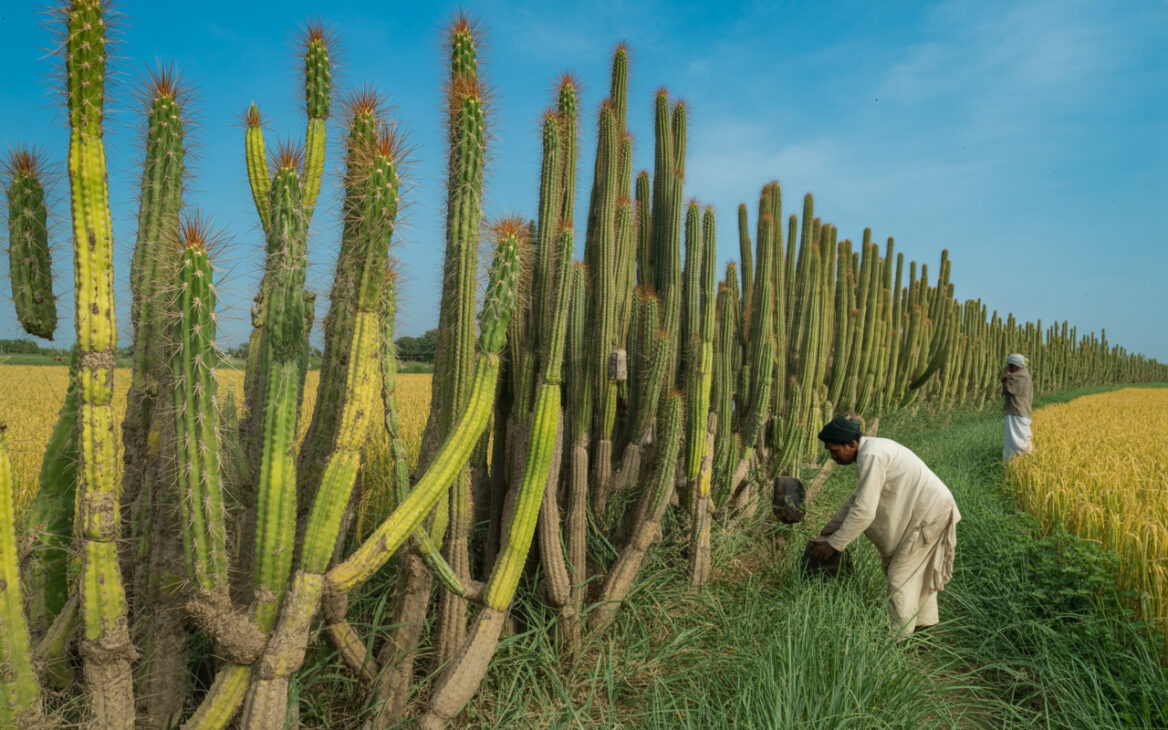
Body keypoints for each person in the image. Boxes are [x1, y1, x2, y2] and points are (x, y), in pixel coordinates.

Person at [808, 417, 961, 634]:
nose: (832, 457)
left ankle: (899, 640)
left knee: (900, 577)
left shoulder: (871, 455)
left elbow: (864, 511)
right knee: (915, 575)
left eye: (834, 451)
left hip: (930, 515)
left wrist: (834, 544)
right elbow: (858, 497)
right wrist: (831, 527)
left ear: (851, 445)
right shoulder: (872, 450)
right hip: (932, 511)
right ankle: (922, 629)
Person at [1001, 353, 1033, 461]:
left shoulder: (1020, 377)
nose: (1009, 368)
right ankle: (1018, 463)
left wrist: (1005, 376)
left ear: (1015, 365)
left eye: (1010, 366)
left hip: (1017, 412)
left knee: (1018, 440)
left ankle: (1017, 463)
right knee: (1017, 438)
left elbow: (1009, 388)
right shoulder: (1022, 376)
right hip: (1018, 412)